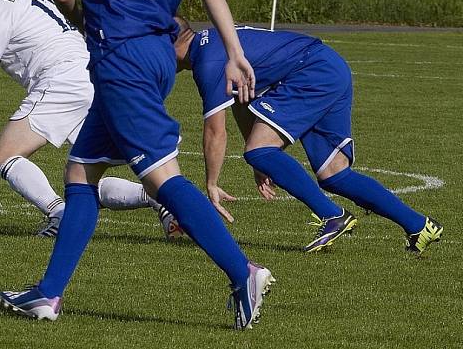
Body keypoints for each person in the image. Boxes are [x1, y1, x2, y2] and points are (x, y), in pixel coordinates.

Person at [0, 0, 273, 330]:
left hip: (119, 55)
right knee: (81, 172)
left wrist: (90, 17)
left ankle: (244, 271)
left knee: (161, 176)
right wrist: (235, 52)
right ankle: (48, 294)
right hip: (157, 54)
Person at [0, 0, 178, 238]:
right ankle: (158, 200)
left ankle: (59, 214)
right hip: (92, 75)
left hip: (62, 81)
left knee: (3, 156)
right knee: (84, 175)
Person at [173, 17, 443, 255]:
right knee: (334, 174)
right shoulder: (212, 40)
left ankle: (332, 215)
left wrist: (212, 182)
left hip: (310, 72)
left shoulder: (208, 62)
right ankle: (419, 226)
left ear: (170, 42)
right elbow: (242, 101)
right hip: (328, 65)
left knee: (260, 149)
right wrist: (259, 159)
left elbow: (215, 131)